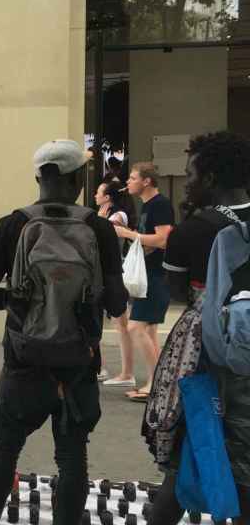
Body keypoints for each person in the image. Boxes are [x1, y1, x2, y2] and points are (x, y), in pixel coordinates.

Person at [0, 139, 127, 525]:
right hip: (77, 365)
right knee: (73, 460)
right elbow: (117, 303)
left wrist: (26, 302)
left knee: (3, 455)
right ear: (78, 178)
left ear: (38, 176)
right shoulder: (99, 229)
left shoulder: (11, 225)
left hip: (23, 363)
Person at [143, 131, 250, 524]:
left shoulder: (192, 229)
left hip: (205, 352)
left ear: (210, 177)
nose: (188, 181)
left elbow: (175, 290)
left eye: (192, 173)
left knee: (193, 442)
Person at [114, 162, 174, 402]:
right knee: (148, 330)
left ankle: (157, 384)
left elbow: (163, 240)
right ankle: (155, 382)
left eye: (132, 178)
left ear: (146, 181)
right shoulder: (149, 205)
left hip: (156, 276)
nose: (128, 182)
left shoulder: (159, 205)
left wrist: (128, 234)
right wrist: (129, 231)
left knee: (135, 327)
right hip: (150, 275)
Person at [95, 179, 137, 384]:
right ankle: (100, 367)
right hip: (103, 272)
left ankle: (127, 373)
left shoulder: (118, 216)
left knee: (121, 323)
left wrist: (99, 221)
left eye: (99, 192)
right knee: (115, 322)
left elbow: (102, 237)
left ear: (108, 197)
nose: (95, 195)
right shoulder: (103, 215)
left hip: (114, 272)